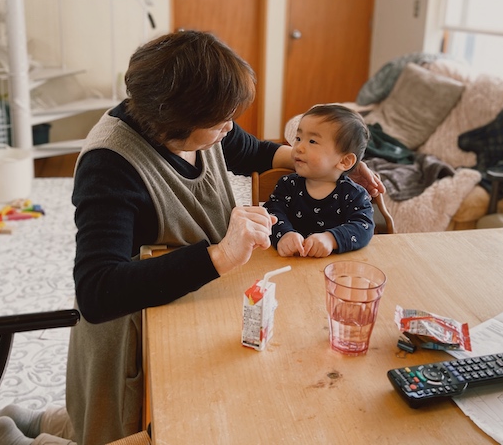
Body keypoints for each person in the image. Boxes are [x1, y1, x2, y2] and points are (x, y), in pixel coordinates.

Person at [53, 30, 384, 445]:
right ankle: (7, 433)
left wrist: (331, 168)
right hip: (131, 333)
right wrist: (221, 255)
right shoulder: (109, 166)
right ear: (175, 119)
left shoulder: (202, 123)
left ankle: (28, 423)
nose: (229, 126)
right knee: (119, 431)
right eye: (219, 120)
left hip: (192, 302)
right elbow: (97, 292)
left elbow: (251, 152)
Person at [264, 104, 374, 258]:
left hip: (334, 269)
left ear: (345, 161)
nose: (298, 147)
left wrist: (331, 239)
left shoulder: (353, 194)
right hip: (289, 264)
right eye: (298, 138)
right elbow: (272, 212)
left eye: (312, 141)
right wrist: (284, 235)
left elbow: (364, 227)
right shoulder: (288, 185)